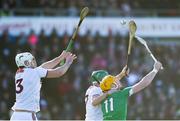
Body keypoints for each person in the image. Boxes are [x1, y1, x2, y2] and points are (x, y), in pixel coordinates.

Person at [10, 51, 76, 121]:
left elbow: (43, 67)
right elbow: (59, 72)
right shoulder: (35, 72)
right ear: (26, 63)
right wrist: (68, 62)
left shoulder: (18, 74)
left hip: (15, 115)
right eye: (32, 60)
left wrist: (60, 57)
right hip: (27, 115)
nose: (34, 62)